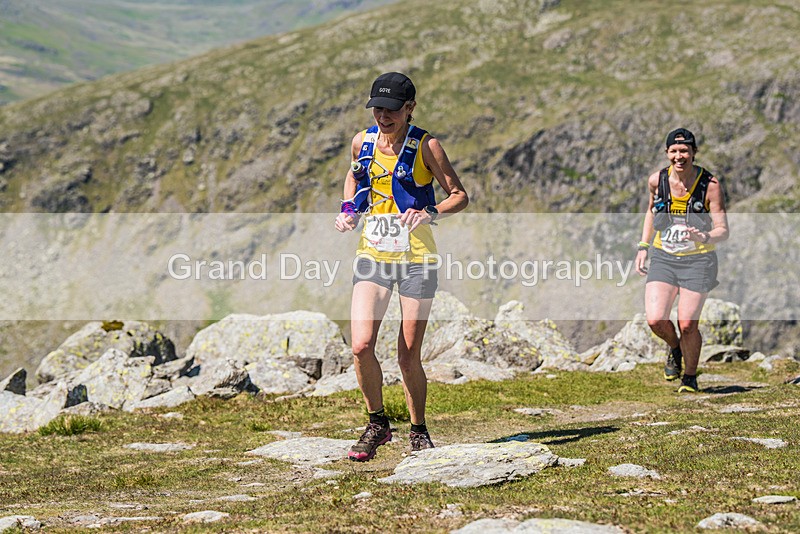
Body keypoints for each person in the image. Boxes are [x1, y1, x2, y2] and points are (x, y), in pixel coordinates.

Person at [334, 72, 468, 461]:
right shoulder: (363, 141)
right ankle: (377, 423)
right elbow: (355, 179)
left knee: (408, 356)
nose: (383, 115)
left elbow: (459, 195)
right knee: (360, 346)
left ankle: (418, 430)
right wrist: (349, 212)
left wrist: (431, 211)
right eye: (378, 108)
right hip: (373, 254)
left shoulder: (428, 146)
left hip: (416, 260)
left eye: (392, 109)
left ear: (410, 108)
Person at [635, 128, 729, 393]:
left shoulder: (710, 185)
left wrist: (707, 235)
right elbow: (651, 212)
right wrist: (643, 246)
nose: (679, 156)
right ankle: (675, 348)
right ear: (667, 154)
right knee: (655, 320)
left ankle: (689, 377)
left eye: (685, 151)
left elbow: (724, 230)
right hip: (664, 257)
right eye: (674, 151)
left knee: (688, 324)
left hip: (698, 260)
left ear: (694, 153)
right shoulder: (657, 181)